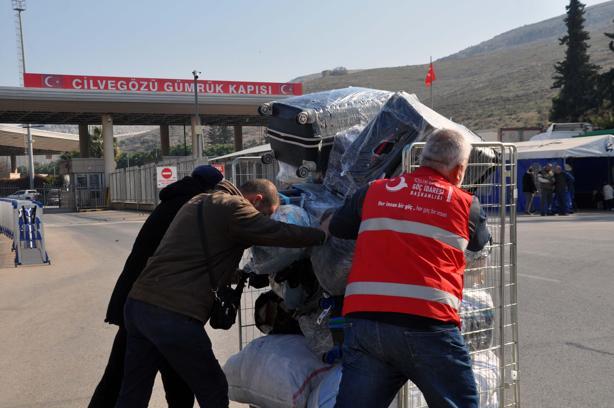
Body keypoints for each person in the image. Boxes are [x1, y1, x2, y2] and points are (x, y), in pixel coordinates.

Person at [116, 178, 327, 408]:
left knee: (133, 393)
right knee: (213, 389)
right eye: (266, 213)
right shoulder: (234, 207)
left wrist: (238, 274)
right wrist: (321, 235)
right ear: (257, 200)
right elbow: (276, 232)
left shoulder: (199, 201)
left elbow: (193, 256)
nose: (263, 218)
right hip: (173, 313)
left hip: (138, 305)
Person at [328, 129, 490, 408]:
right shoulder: (465, 205)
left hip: (367, 322)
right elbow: (479, 242)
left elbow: (338, 226)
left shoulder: (375, 191)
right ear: (460, 169)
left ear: (421, 160)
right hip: (428, 324)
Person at [88, 165, 224, 408]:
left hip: (138, 300)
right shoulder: (192, 208)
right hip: (157, 302)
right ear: (211, 188)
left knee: (127, 378)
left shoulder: (172, 202)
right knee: (167, 378)